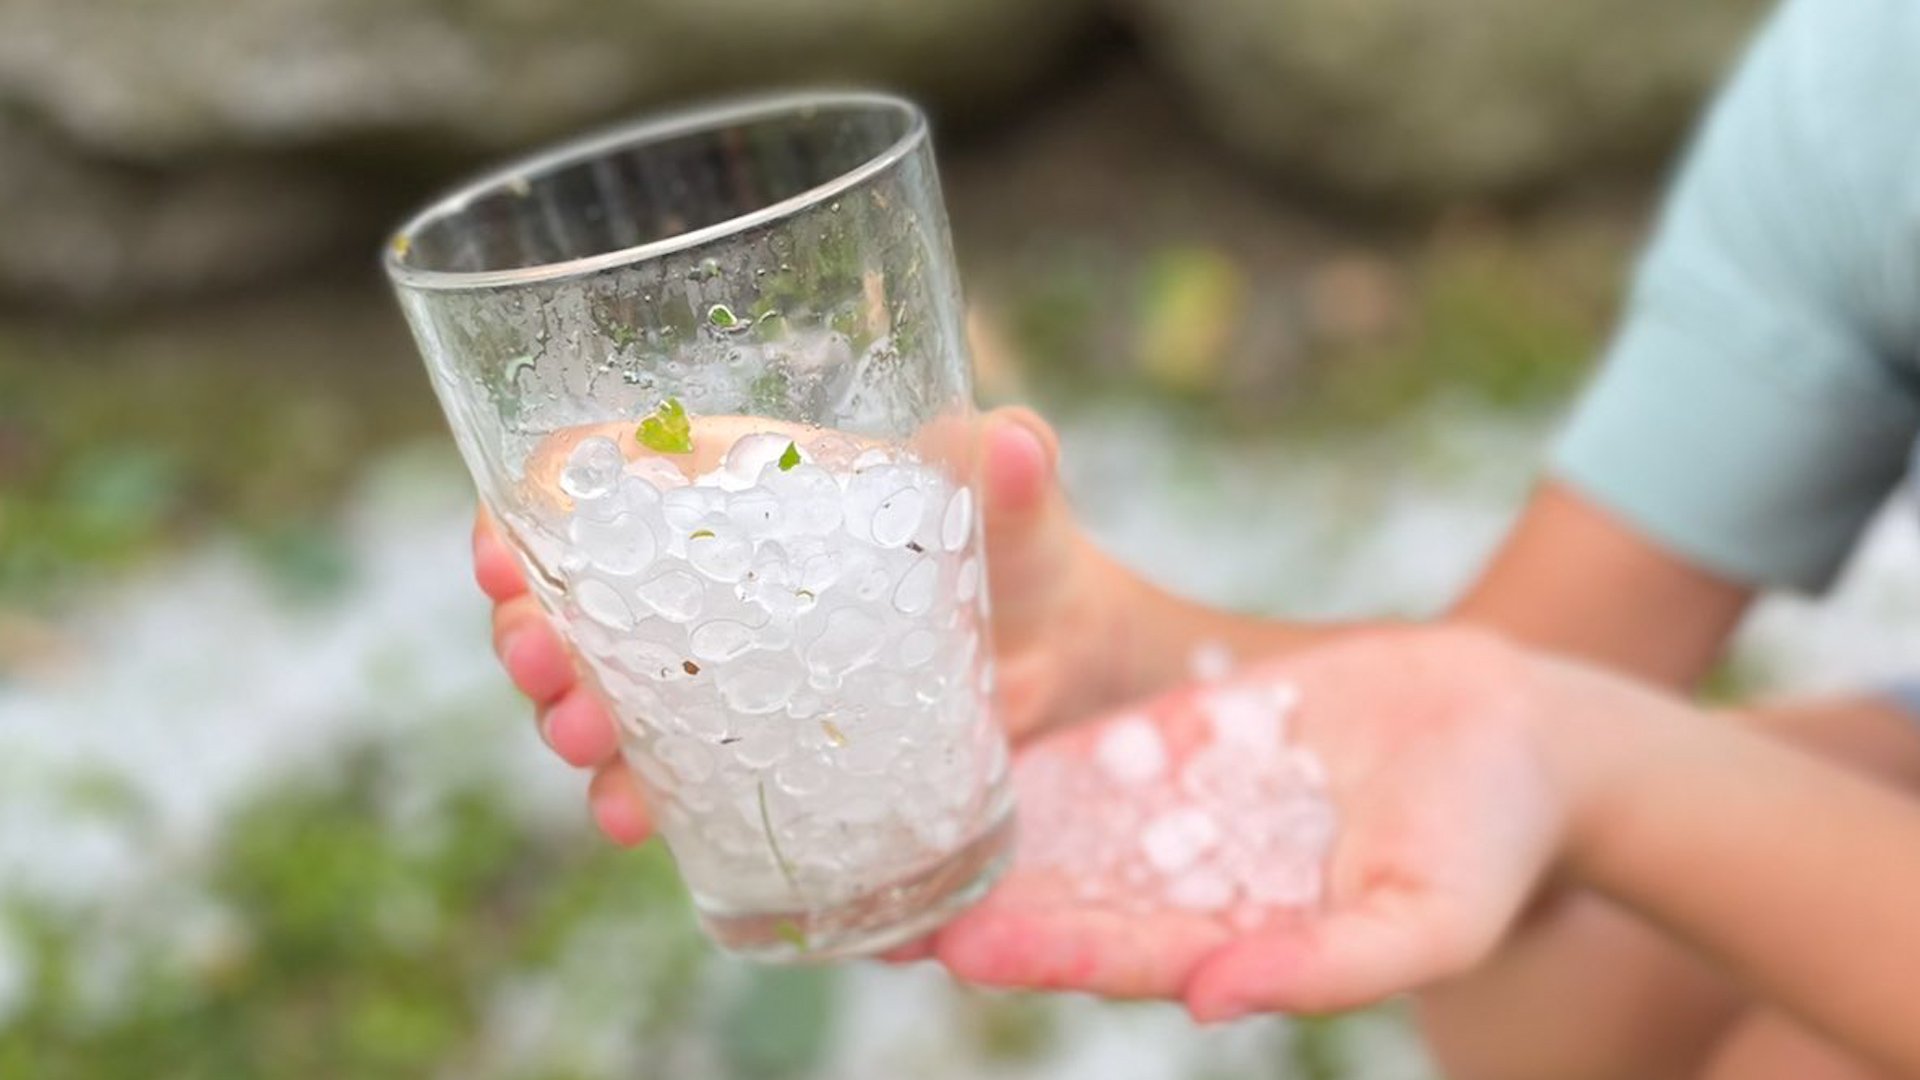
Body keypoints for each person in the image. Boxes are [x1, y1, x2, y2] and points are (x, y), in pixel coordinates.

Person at [474, 0, 1920, 1075]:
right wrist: (1109, 654)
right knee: (1553, 982)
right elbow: (1518, 677)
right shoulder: (1865, 99)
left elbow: (1540, 726)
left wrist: (1591, 772)